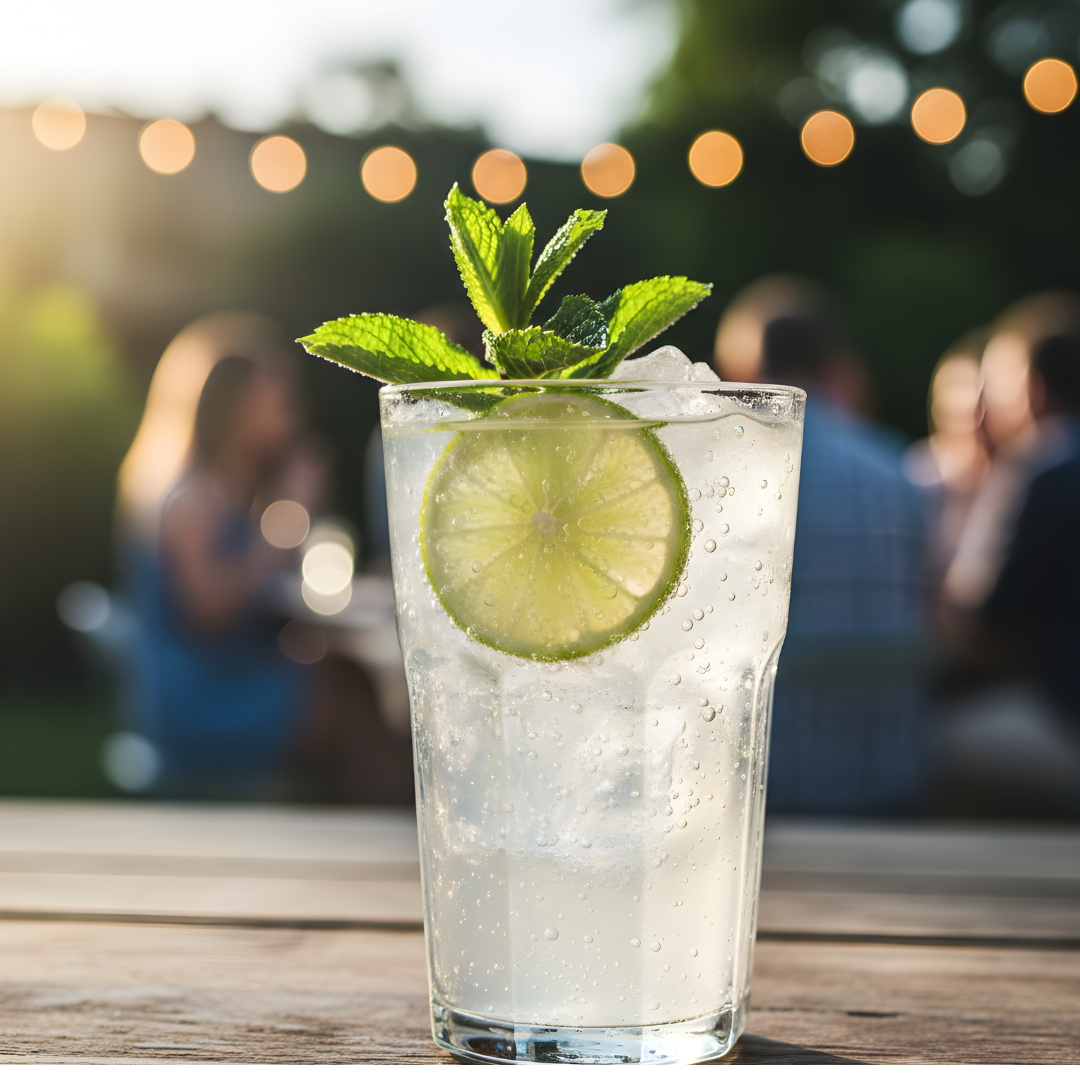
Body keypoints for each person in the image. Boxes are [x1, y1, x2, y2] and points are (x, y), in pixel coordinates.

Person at [116, 313, 413, 801]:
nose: (292, 412)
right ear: (237, 406)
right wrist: (292, 513)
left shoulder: (226, 491)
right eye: (278, 398)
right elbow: (208, 608)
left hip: (228, 682)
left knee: (348, 679)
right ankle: (381, 830)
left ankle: (373, 827)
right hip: (200, 703)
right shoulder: (191, 497)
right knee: (351, 701)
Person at [716, 286, 929, 814]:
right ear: (832, 363)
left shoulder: (719, 479)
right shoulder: (899, 473)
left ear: (740, 369)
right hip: (888, 792)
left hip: (756, 807)